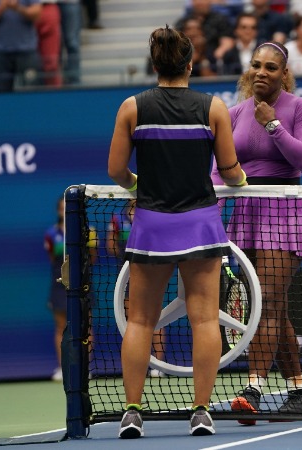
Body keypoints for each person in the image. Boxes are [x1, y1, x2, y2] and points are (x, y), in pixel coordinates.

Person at [107, 25, 247, 438]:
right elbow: (230, 171)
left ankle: (132, 412)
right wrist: (239, 179)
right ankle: (201, 412)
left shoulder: (132, 107)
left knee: (140, 321)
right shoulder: (214, 108)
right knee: (205, 320)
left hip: (151, 224)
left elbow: (116, 170)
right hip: (200, 226)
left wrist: (140, 188)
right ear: (191, 64)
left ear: (155, 65)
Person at [210, 41, 302, 424]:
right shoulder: (232, 114)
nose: (263, 72)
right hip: (245, 213)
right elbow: (219, 170)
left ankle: (253, 389)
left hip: (285, 210)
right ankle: (298, 392)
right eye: (257, 65)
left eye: (271, 68)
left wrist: (273, 125)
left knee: (267, 299)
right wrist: (212, 213)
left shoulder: (300, 108)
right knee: (273, 306)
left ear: (284, 74)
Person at [106, 200, 167, 377]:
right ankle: (138, 362)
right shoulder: (117, 219)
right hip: (126, 274)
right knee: (133, 319)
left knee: (156, 318)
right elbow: (111, 246)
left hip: (153, 272)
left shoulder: (152, 215)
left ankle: (159, 364)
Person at [44, 197, 97, 381]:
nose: (64, 211)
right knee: (61, 326)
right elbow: (53, 258)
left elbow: (92, 257)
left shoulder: (88, 232)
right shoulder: (51, 234)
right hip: (59, 285)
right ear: (58, 211)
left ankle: (85, 368)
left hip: (82, 283)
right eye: (61, 208)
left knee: (85, 326)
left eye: (67, 207)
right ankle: (62, 368)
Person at [0, 0, 43, 92]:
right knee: (0, 95)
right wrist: (0, 9)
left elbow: (37, 14)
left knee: (31, 94)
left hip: (27, 52)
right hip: (0, 52)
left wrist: (18, 8)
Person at [36, 0, 61, 86]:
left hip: (47, 7)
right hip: (20, 9)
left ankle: (55, 97)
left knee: (50, 64)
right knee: (27, 62)